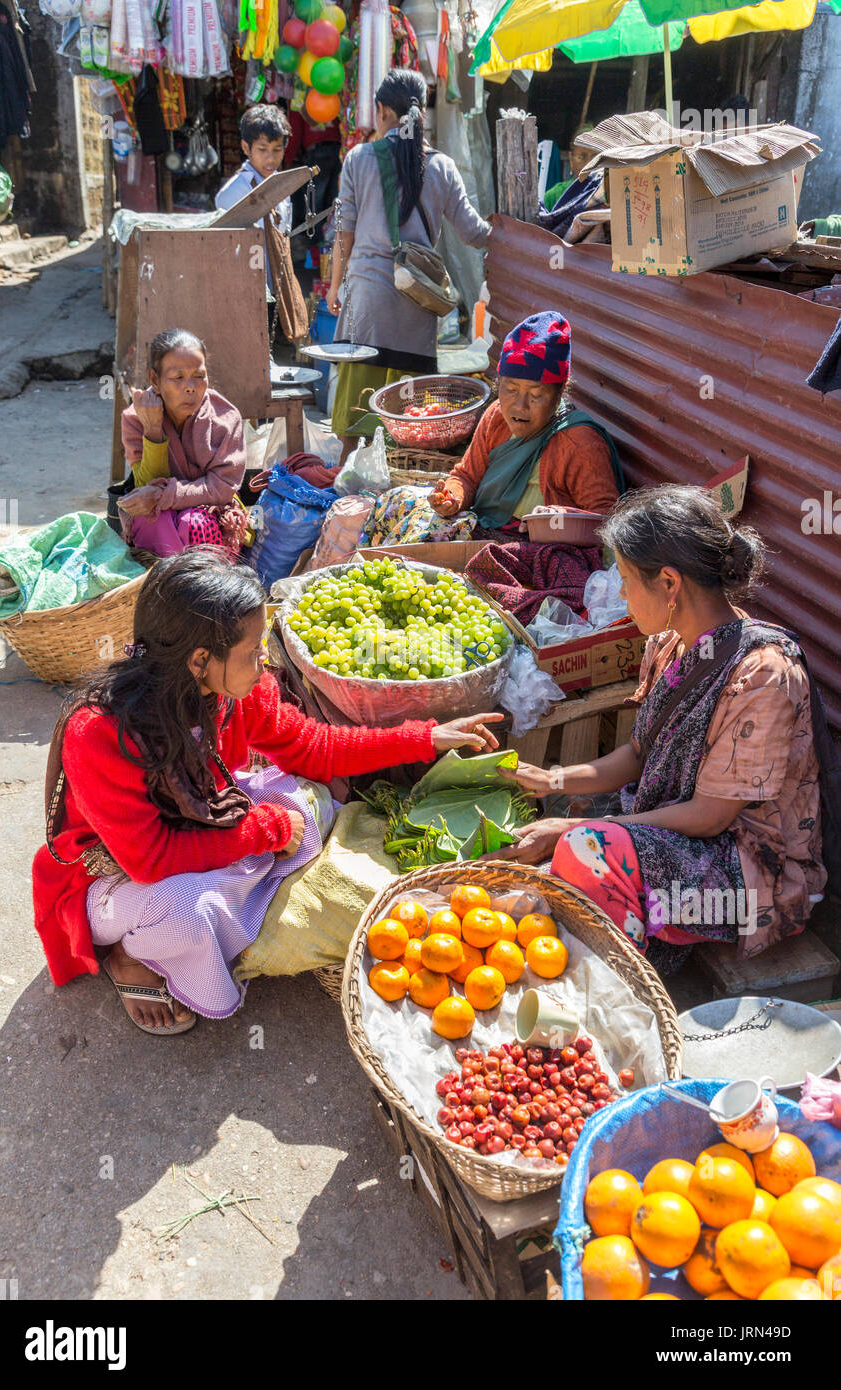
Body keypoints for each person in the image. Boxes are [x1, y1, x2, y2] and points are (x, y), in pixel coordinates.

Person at [32, 548, 503, 1035]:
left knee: (306, 794)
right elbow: (150, 860)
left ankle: (229, 912)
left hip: (201, 830)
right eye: (253, 649)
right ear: (199, 660)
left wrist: (426, 738)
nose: (264, 662)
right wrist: (268, 831)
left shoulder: (230, 692)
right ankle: (128, 954)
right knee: (187, 910)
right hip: (114, 877)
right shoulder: (100, 733)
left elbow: (315, 748)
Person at [490, 485, 826, 972]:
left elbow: (711, 816)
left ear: (669, 583)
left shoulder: (763, 676)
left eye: (626, 578)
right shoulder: (670, 645)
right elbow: (637, 754)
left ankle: (625, 977)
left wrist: (579, 825)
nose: (621, 593)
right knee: (558, 847)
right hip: (681, 834)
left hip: (748, 869)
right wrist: (551, 779)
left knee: (584, 847)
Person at [326, 68, 490, 452]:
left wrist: (335, 285)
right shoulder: (443, 166)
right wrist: (518, 232)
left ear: (382, 110)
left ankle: (352, 495)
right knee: (413, 427)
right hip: (416, 307)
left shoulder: (359, 159)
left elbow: (344, 231)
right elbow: (474, 233)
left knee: (354, 425)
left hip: (366, 306)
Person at [430, 311, 622, 535]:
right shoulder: (496, 416)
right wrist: (452, 498)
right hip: (485, 522)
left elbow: (607, 518)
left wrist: (557, 518)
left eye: (535, 394)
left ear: (559, 394)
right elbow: (466, 476)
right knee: (404, 503)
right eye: (510, 389)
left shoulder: (579, 443)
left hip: (536, 543)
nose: (520, 406)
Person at [119, 329, 249, 558]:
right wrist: (153, 430)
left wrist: (163, 496)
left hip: (210, 510)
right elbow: (146, 483)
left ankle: (201, 587)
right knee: (153, 520)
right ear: (154, 380)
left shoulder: (225, 418)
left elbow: (222, 487)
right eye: (178, 378)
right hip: (158, 513)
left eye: (199, 376)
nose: (191, 387)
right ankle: (162, 585)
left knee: (193, 523)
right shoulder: (135, 418)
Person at [214, 103, 301, 342]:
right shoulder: (233, 193)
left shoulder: (282, 187)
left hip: (275, 290)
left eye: (277, 150)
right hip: (243, 292)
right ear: (245, 147)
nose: (271, 158)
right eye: (262, 149)